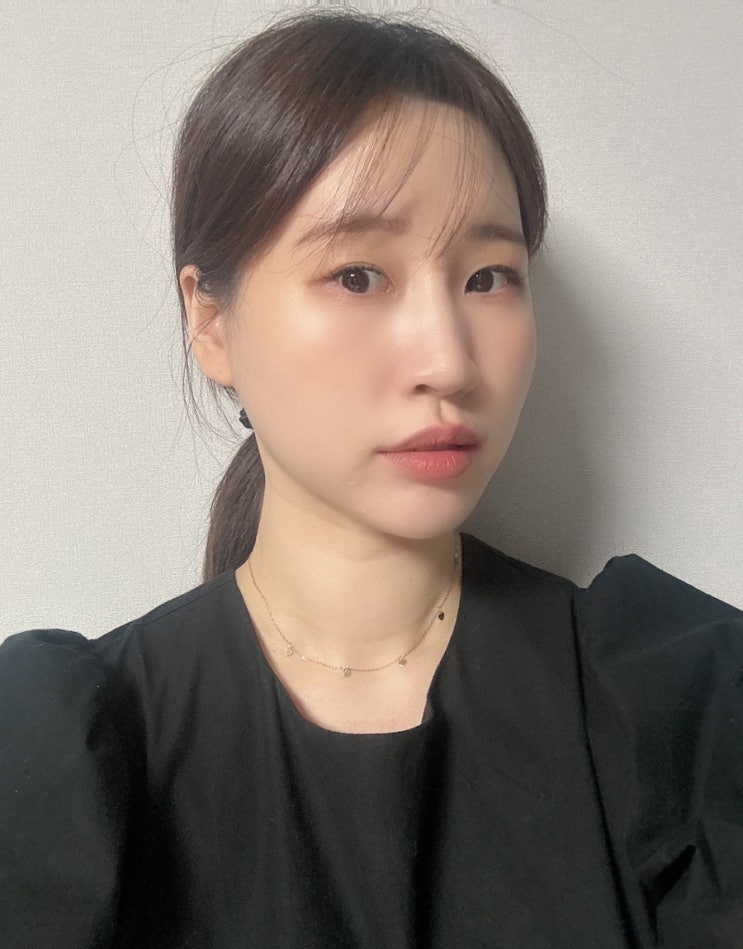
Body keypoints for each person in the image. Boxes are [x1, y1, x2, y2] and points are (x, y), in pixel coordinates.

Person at [0, 10, 741, 948]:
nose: (448, 361)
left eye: (488, 276)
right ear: (211, 322)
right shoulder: (64, 750)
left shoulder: (678, 702)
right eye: (357, 275)